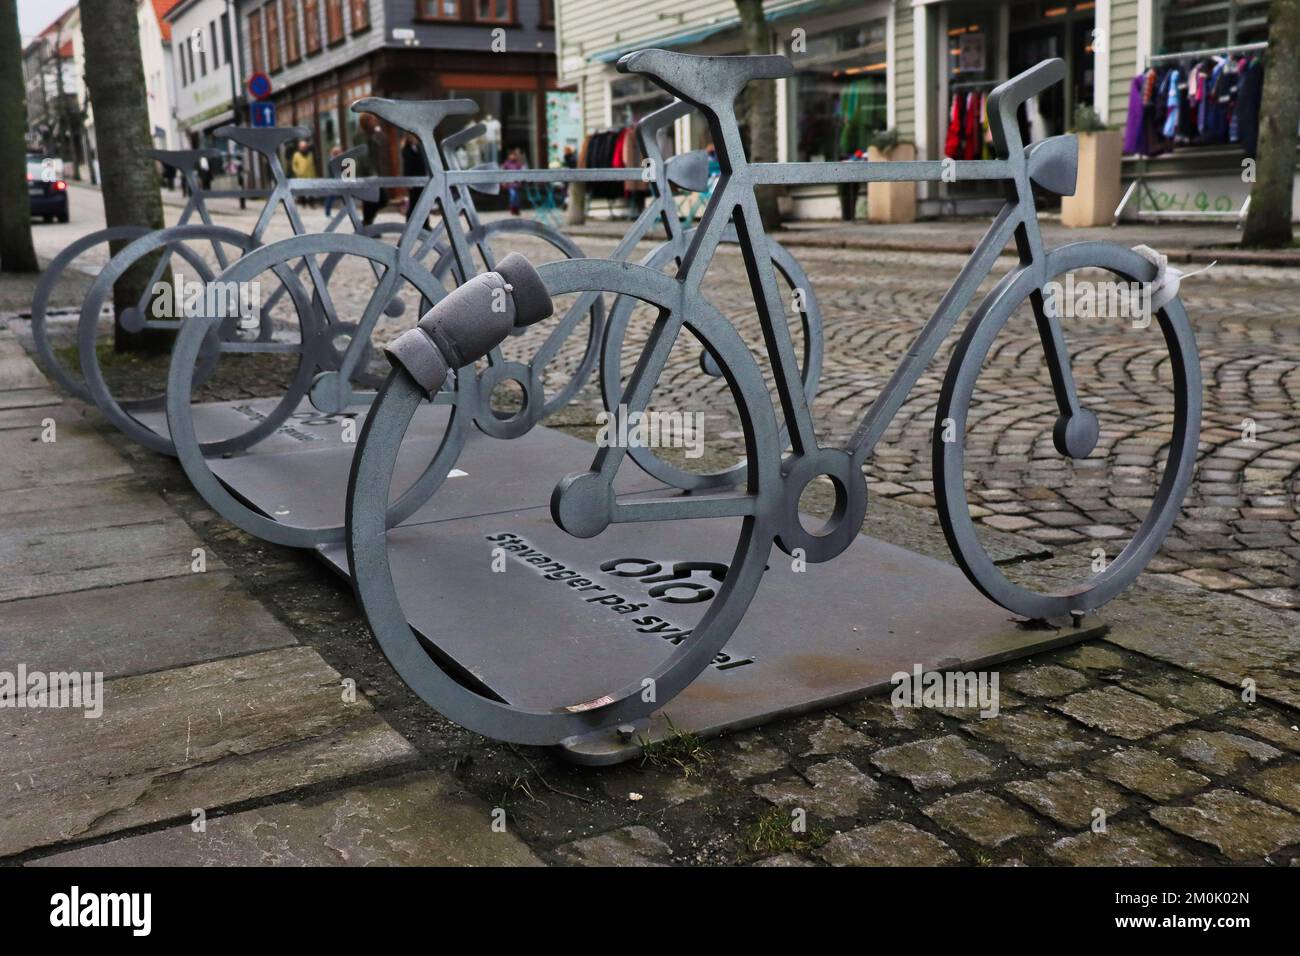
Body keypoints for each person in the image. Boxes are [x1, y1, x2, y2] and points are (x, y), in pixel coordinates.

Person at [357, 117, 392, 226]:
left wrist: (379, 134)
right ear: (366, 122)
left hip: (375, 173)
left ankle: (367, 224)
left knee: (378, 200)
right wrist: (372, 172)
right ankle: (367, 224)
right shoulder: (360, 136)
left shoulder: (374, 135)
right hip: (366, 173)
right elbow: (364, 156)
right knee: (374, 200)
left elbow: (384, 143)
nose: (375, 122)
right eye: (372, 120)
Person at [401, 134, 429, 229]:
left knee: (424, 202)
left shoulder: (419, 148)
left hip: (422, 179)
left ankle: (425, 225)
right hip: (413, 180)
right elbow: (407, 167)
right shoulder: (407, 150)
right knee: (414, 203)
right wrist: (408, 181)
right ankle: (409, 225)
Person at [291, 139, 317, 207]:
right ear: (299, 147)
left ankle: (312, 203)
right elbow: (294, 165)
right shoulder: (296, 155)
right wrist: (297, 172)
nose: (303, 148)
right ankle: (303, 202)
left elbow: (314, 162)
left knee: (311, 189)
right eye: (302, 147)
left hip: (310, 175)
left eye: (305, 147)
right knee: (302, 190)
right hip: (301, 175)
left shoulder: (310, 154)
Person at [322, 145, 343, 218]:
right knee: (331, 196)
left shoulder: (336, 160)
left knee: (332, 197)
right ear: (336, 153)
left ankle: (327, 213)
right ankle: (327, 213)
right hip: (333, 181)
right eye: (340, 152)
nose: (341, 153)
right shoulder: (333, 161)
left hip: (336, 181)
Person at [502, 147, 524, 216]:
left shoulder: (518, 164)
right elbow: (502, 172)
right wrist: (504, 182)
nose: (513, 157)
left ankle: (517, 209)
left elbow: (522, 171)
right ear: (509, 156)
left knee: (518, 198)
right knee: (513, 196)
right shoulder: (507, 164)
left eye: (514, 155)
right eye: (511, 155)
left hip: (517, 184)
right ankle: (512, 208)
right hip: (510, 184)